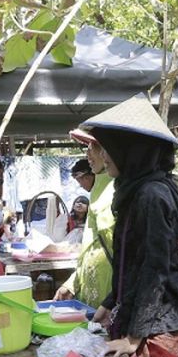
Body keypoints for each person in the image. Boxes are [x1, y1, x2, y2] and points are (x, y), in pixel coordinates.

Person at [84, 94, 178, 357]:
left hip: (164, 326)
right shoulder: (136, 190)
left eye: (107, 148)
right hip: (147, 320)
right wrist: (111, 302)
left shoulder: (151, 195)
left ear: (129, 150)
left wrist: (135, 336)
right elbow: (130, 260)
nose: (103, 157)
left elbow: (155, 270)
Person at [54, 129, 116, 308]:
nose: (88, 154)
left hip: (109, 288)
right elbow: (93, 244)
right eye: (87, 147)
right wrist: (74, 281)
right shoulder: (100, 188)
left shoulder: (117, 191)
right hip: (92, 283)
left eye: (94, 147)